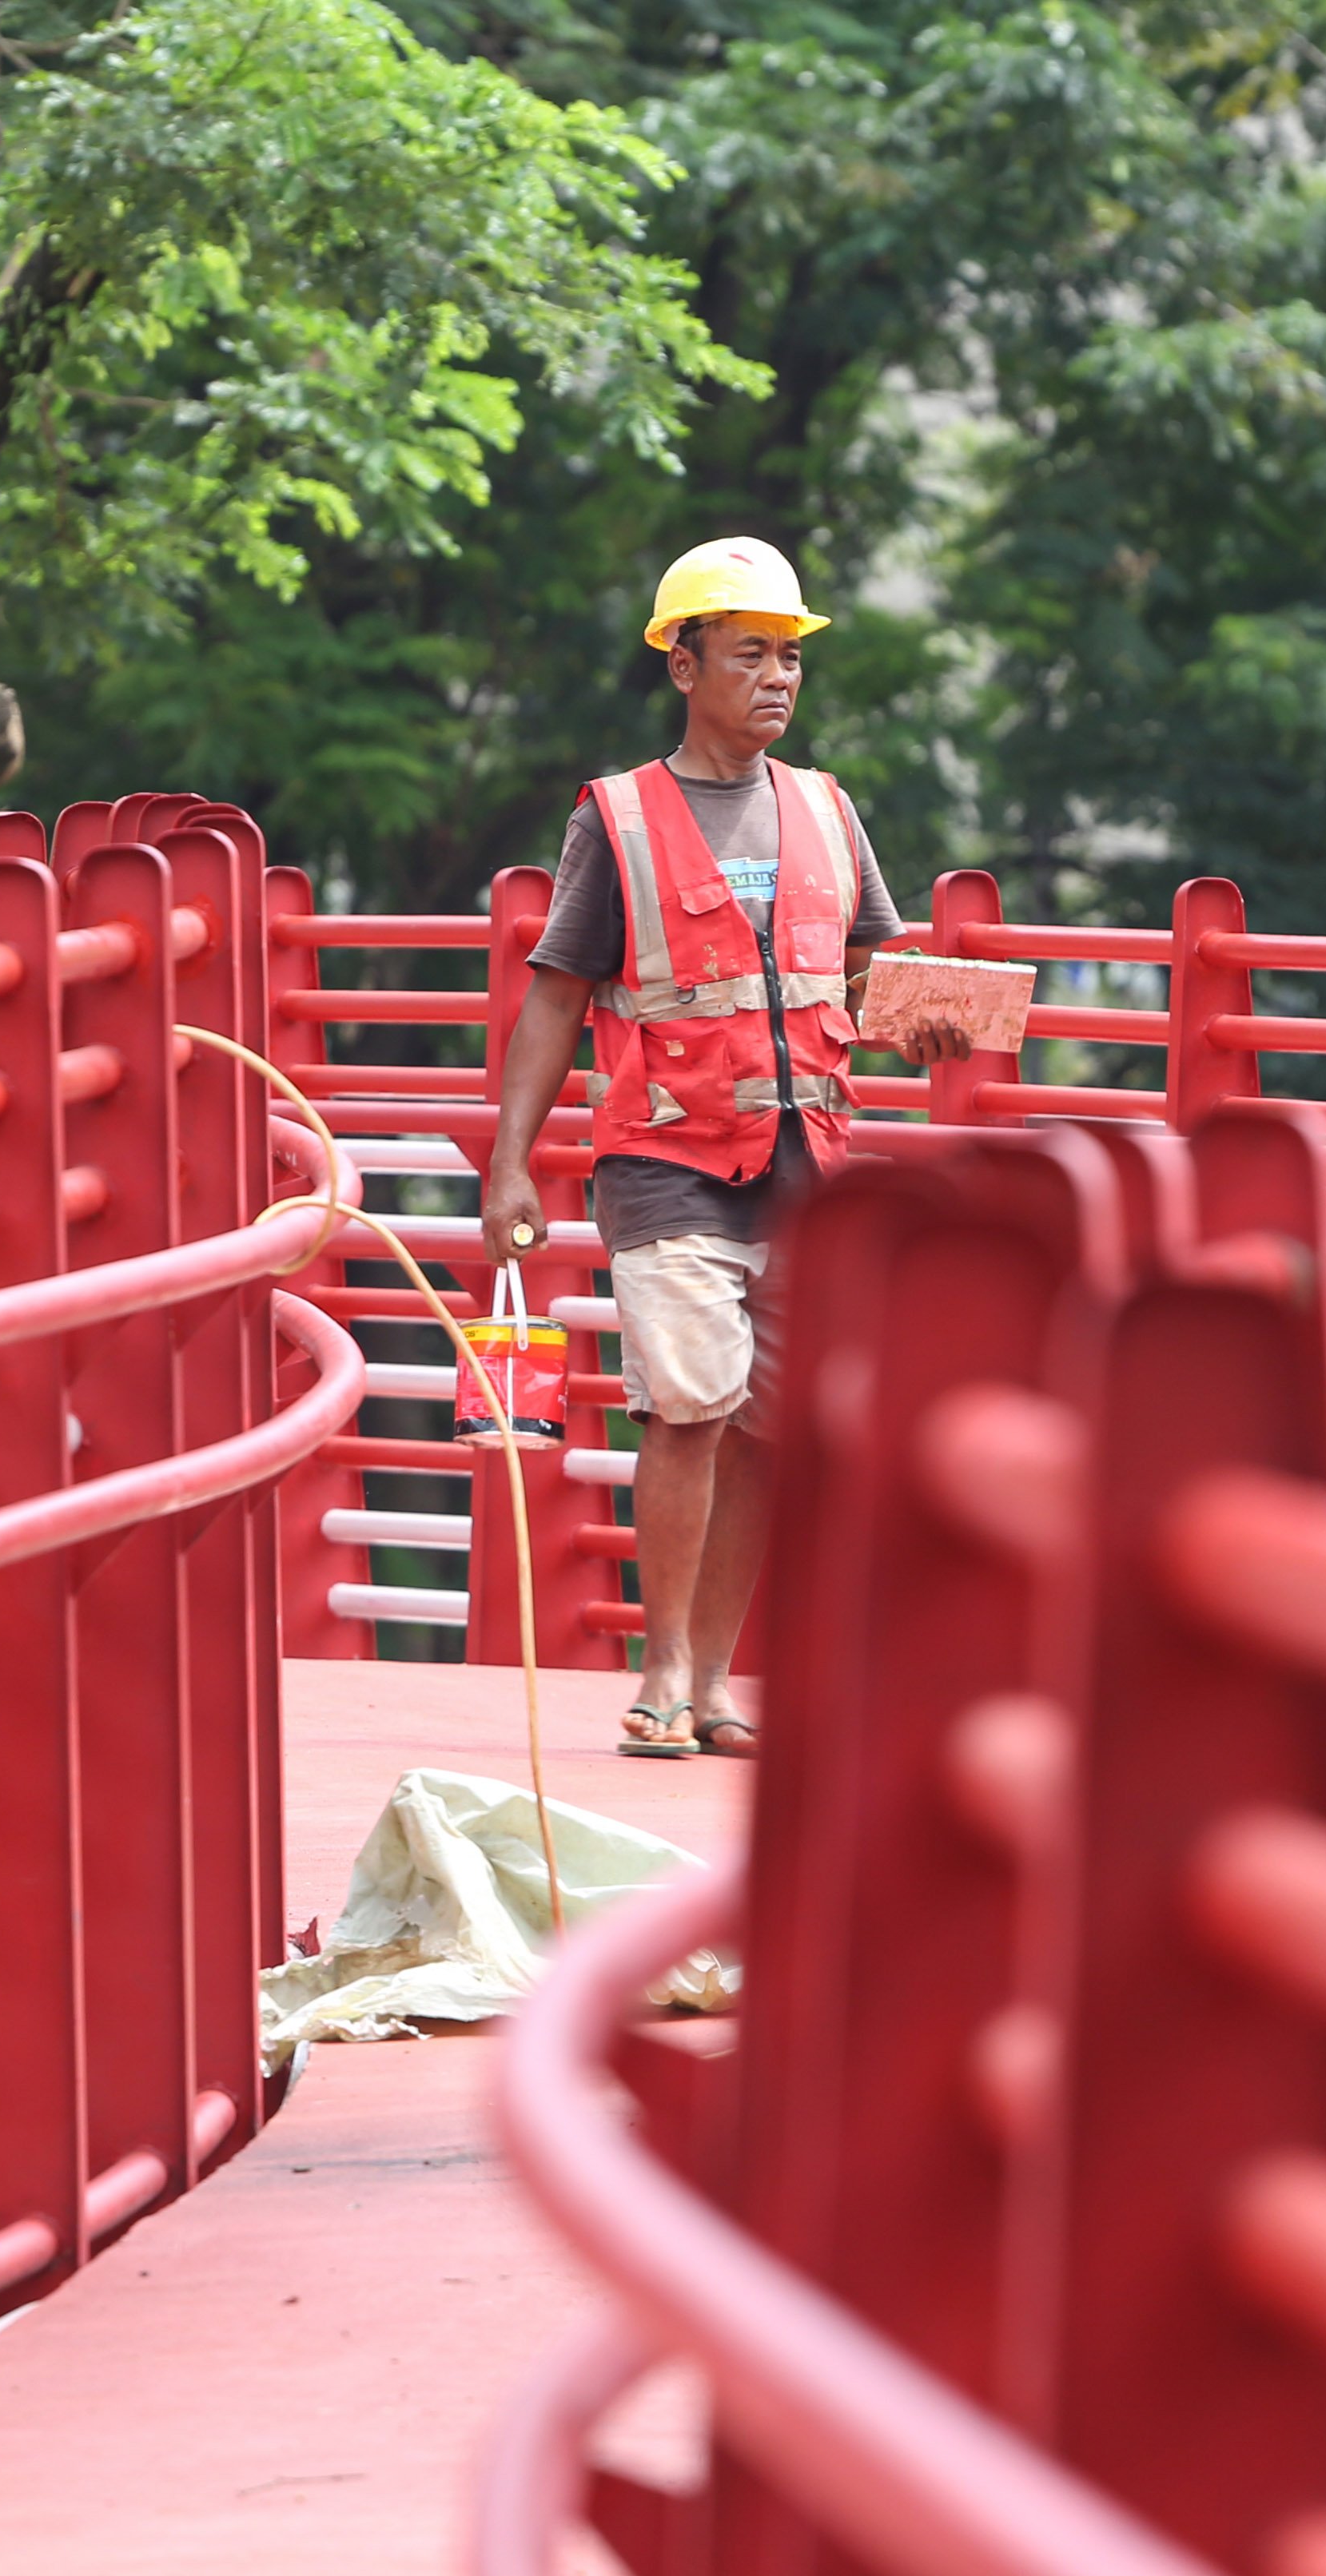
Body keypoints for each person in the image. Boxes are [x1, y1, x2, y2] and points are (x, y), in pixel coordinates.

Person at [479, 536, 973, 1755]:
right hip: (666, 1158)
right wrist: (506, 1164)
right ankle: (664, 1673)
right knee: (687, 1406)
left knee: (766, 1422)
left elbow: (866, 973)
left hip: (809, 1160)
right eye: (748, 652)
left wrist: (930, 1019)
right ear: (680, 663)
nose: (776, 676)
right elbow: (554, 995)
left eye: (787, 654)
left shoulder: (825, 806)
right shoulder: (618, 819)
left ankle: (713, 1682)